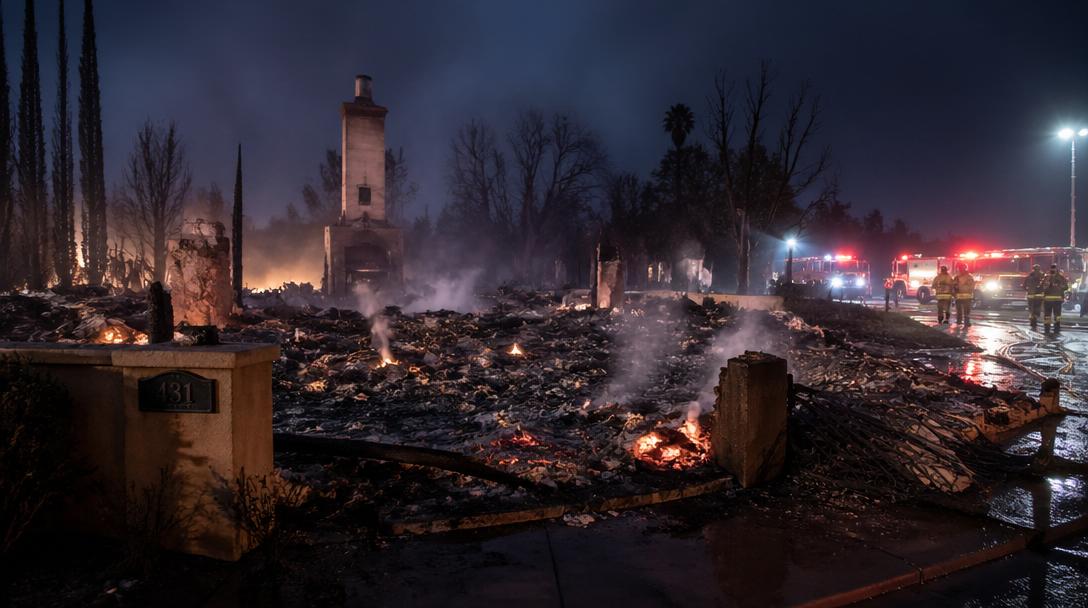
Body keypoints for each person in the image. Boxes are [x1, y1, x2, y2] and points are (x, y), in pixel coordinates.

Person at [1041, 263, 1069, 334]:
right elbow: (1066, 287)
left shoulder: (1046, 277)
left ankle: (1047, 328)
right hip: (1057, 300)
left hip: (1048, 300)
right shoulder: (1061, 278)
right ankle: (1056, 327)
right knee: (1057, 314)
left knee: (1047, 314)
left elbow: (1042, 287)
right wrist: (1059, 287)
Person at [1023, 263, 1045, 331]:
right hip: (1039, 296)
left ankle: (1032, 321)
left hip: (1030, 295)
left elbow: (1024, 286)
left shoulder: (1029, 277)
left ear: (1033, 269)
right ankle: (1034, 319)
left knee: (1031, 309)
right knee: (1037, 308)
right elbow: (1046, 285)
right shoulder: (1042, 276)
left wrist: (1028, 290)